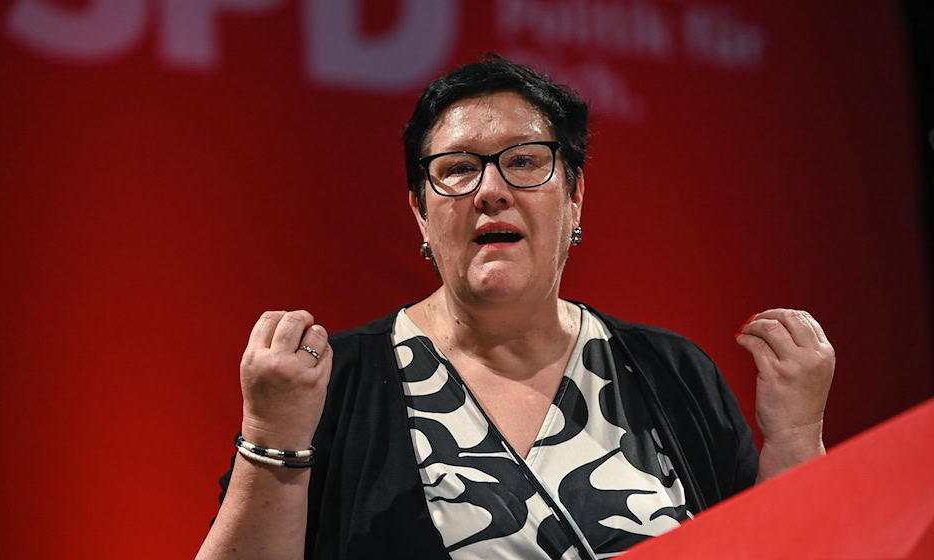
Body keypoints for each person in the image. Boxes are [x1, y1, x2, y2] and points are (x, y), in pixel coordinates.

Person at [196, 55, 835, 560]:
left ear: (576, 196)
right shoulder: (337, 382)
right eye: (457, 169)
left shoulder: (671, 372)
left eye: (525, 162)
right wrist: (271, 440)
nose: (492, 192)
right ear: (419, 211)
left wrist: (796, 439)